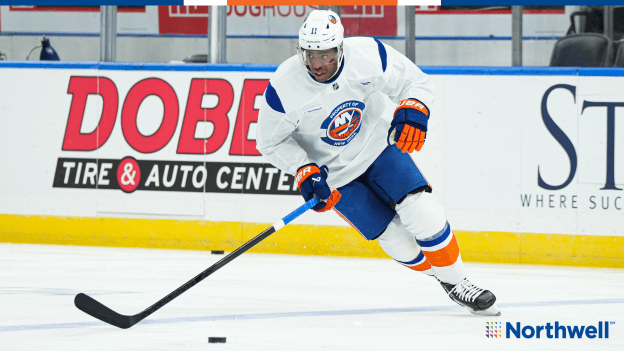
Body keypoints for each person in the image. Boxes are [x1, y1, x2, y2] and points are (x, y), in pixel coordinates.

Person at [256, 9, 500, 316]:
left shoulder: (369, 55)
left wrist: (413, 109)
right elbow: (269, 141)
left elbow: (416, 83)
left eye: (327, 55)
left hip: (379, 148)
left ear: (341, 48)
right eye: (310, 55)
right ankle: (446, 278)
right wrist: (304, 169)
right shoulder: (283, 87)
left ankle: (460, 283)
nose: (317, 64)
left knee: (422, 212)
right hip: (336, 177)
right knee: (399, 243)